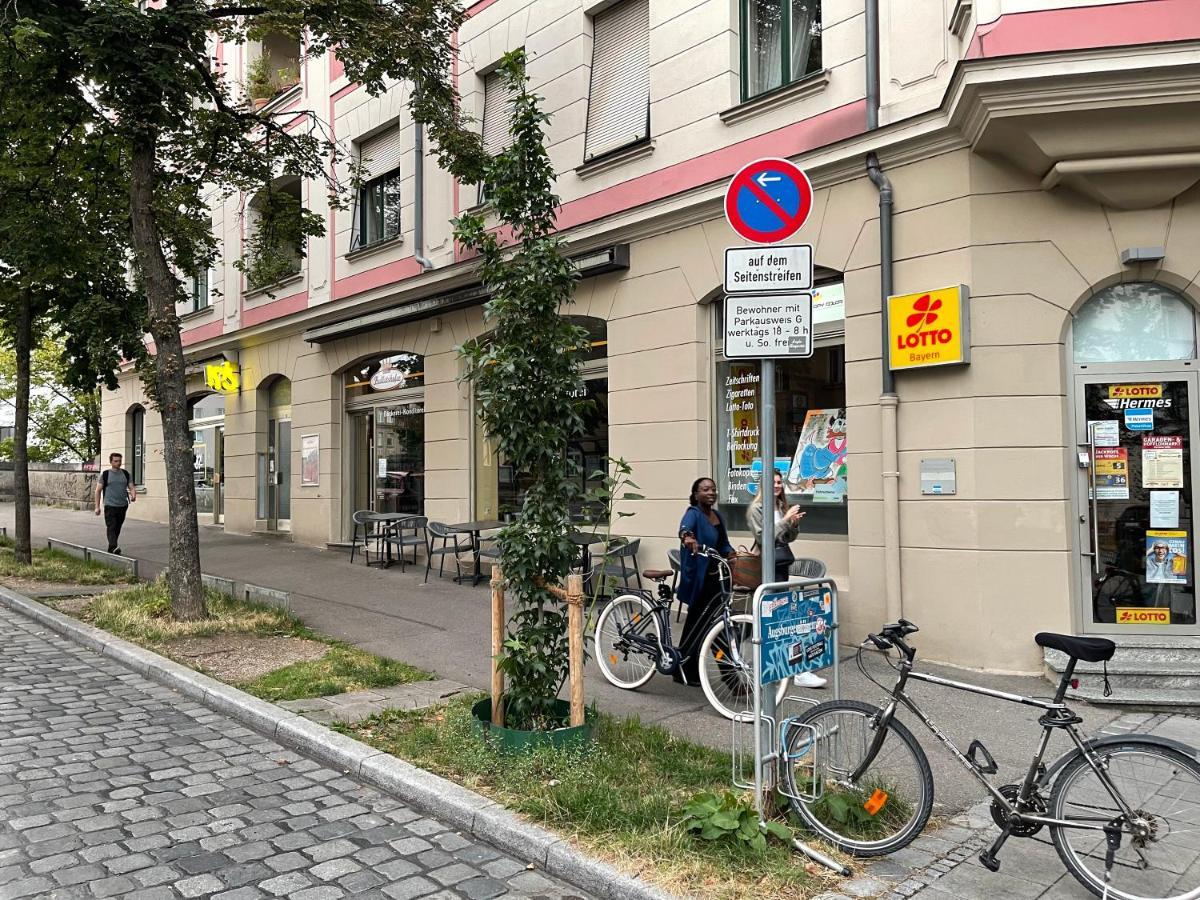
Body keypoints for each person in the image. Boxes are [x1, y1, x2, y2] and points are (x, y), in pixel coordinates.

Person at [749, 472, 826, 690]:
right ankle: (781, 668)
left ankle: (795, 669)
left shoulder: (780, 507)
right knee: (774, 620)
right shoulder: (757, 509)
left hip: (780, 567)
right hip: (766, 568)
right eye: (772, 482)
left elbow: (788, 538)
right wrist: (785, 521)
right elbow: (764, 537)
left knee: (783, 619)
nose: (776, 486)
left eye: (779, 482)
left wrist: (792, 523)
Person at [675, 477, 736, 685]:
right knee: (712, 626)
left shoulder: (717, 516)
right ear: (695, 494)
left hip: (717, 578)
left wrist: (732, 554)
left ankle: (682, 669)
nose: (711, 492)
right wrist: (688, 538)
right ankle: (731, 678)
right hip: (701, 581)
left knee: (698, 625)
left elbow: (724, 544)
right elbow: (685, 530)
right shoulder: (693, 514)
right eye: (705, 489)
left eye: (713, 489)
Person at [94, 452, 136, 554]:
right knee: (111, 526)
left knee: (117, 527)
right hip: (110, 505)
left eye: (120, 461)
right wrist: (97, 507)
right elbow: (98, 490)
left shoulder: (126, 474)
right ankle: (114, 546)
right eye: (116, 461)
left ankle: (111, 548)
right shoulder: (105, 474)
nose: (118, 463)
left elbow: (131, 486)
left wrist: (133, 495)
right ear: (111, 462)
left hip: (122, 505)